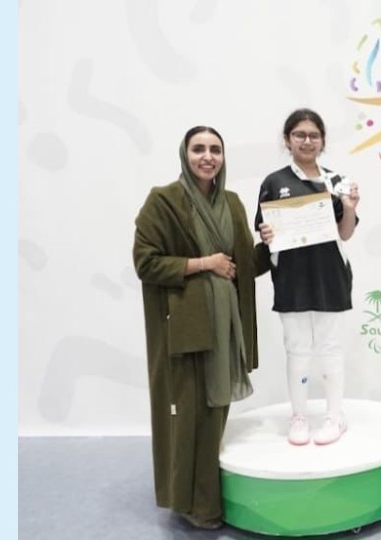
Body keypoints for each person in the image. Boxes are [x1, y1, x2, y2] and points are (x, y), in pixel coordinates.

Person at [133, 126, 269, 529]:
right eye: (198, 149)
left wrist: (270, 245)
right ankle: (192, 504)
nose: (207, 156)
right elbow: (146, 263)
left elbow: (243, 266)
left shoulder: (232, 203)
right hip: (187, 328)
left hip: (226, 327)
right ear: (184, 154)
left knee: (214, 413)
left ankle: (205, 501)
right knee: (189, 414)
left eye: (215, 149)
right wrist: (205, 263)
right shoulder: (164, 201)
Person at [255, 108, 361, 446]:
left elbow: (345, 233)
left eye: (314, 135)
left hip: (330, 275)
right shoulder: (274, 182)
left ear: (323, 141)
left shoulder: (336, 181)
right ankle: (299, 416)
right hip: (292, 278)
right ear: (287, 140)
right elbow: (264, 232)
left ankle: (335, 416)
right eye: (299, 134)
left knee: (331, 348)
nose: (307, 140)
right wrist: (267, 233)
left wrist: (350, 208)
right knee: (297, 350)